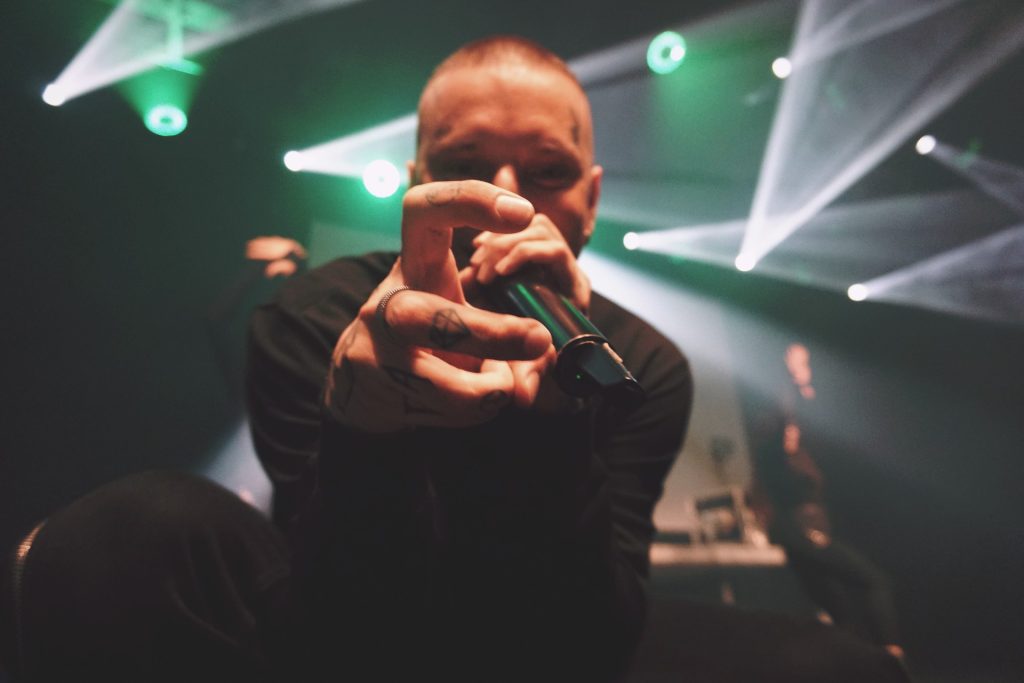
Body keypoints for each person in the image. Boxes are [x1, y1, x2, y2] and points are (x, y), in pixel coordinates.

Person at [0, 36, 910, 683]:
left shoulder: (639, 361)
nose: (504, 198)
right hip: (345, 626)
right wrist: (365, 426)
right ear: (417, 182)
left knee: (844, 668)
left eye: (546, 171)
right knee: (128, 531)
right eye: (465, 162)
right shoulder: (312, 314)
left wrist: (553, 425)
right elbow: (343, 617)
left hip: (551, 633)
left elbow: (590, 634)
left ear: (591, 201)